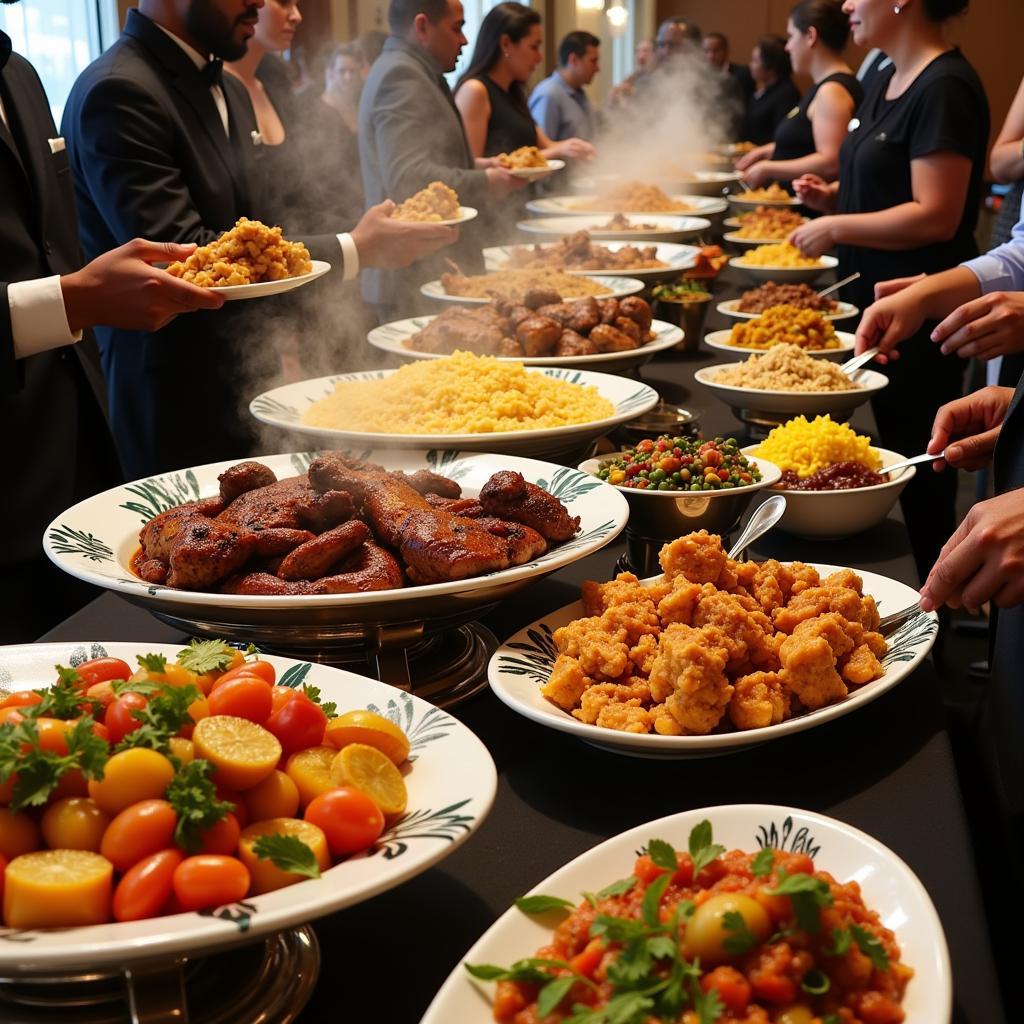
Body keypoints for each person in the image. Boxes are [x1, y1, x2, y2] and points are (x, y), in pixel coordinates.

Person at [62, 0, 457, 479]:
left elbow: (257, 230)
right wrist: (356, 249)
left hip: (249, 369)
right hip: (172, 390)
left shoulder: (228, 84)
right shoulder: (119, 88)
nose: (259, 2)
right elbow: (187, 255)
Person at [0, 14, 226, 641]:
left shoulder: (18, 73)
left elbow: (48, 248)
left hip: (75, 460)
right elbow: (64, 286)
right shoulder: (112, 83)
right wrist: (72, 302)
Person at [789, 0, 988, 583]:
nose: (847, 4)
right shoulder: (881, 74)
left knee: (921, 472)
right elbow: (883, 180)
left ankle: (937, 605)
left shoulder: (944, 86)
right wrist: (834, 197)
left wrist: (837, 225)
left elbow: (937, 216)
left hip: (921, 316)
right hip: (877, 305)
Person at [358, 0, 526, 321]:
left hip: (426, 269)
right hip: (412, 276)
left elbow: (427, 159)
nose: (464, 39)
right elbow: (409, 178)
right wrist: (487, 183)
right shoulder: (401, 74)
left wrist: (482, 166)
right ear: (422, 27)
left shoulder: (415, 70)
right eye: (456, 27)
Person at [226, 1, 363, 228]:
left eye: (297, 5)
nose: (297, 16)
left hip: (299, 242)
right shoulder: (218, 87)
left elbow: (302, 191)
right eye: (283, 2)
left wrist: (353, 226)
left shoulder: (275, 82)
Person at [737, 0, 861, 188]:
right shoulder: (822, 86)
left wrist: (768, 168)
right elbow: (803, 142)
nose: (788, 47)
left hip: (809, 212)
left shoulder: (832, 91)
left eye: (791, 36)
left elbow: (831, 161)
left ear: (810, 36)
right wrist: (769, 150)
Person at [453, 3, 594, 162]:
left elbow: (546, 145)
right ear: (505, 43)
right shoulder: (475, 90)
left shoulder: (514, 92)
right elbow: (470, 165)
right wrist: (555, 152)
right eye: (534, 47)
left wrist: (572, 146)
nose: (539, 57)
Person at [528, 30, 600, 143]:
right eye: (593, 61)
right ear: (574, 60)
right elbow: (540, 151)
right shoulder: (548, 95)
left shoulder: (578, 92)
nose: (597, 68)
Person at [743, 34, 801, 145]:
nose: (750, 65)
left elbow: (780, 136)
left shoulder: (786, 94)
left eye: (755, 61)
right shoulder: (764, 89)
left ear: (770, 67)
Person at [701, 31, 754, 102]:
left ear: (726, 51)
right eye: (706, 51)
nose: (711, 56)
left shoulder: (743, 73)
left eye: (716, 50)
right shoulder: (700, 76)